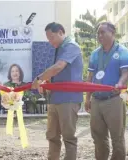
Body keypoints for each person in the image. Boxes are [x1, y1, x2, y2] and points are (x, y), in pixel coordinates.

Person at [32, 22, 83, 160]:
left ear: (61, 32)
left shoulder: (71, 46)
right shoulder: (59, 48)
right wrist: (47, 82)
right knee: (52, 135)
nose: (50, 41)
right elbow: (56, 74)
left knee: (68, 137)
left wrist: (39, 78)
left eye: (52, 37)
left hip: (69, 99)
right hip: (55, 99)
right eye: (48, 39)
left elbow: (58, 67)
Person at [85, 22, 128, 160]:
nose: (99, 35)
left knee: (117, 137)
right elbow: (90, 77)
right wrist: (87, 98)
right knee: (98, 137)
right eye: (98, 33)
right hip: (97, 100)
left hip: (114, 99)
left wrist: (120, 83)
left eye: (103, 32)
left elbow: (126, 72)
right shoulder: (95, 54)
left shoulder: (122, 51)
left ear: (113, 33)